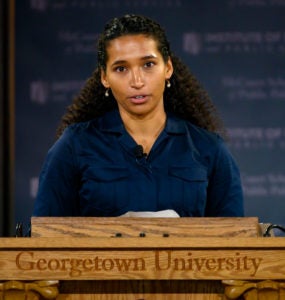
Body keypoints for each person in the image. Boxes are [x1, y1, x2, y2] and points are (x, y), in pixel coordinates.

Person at [33, 14, 244, 217]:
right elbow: (45, 241)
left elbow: (235, 244)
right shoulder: (74, 146)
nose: (137, 81)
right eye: (121, 68)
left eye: (148, 65)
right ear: (105, 77)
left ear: (168, 68)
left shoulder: (210, 149)